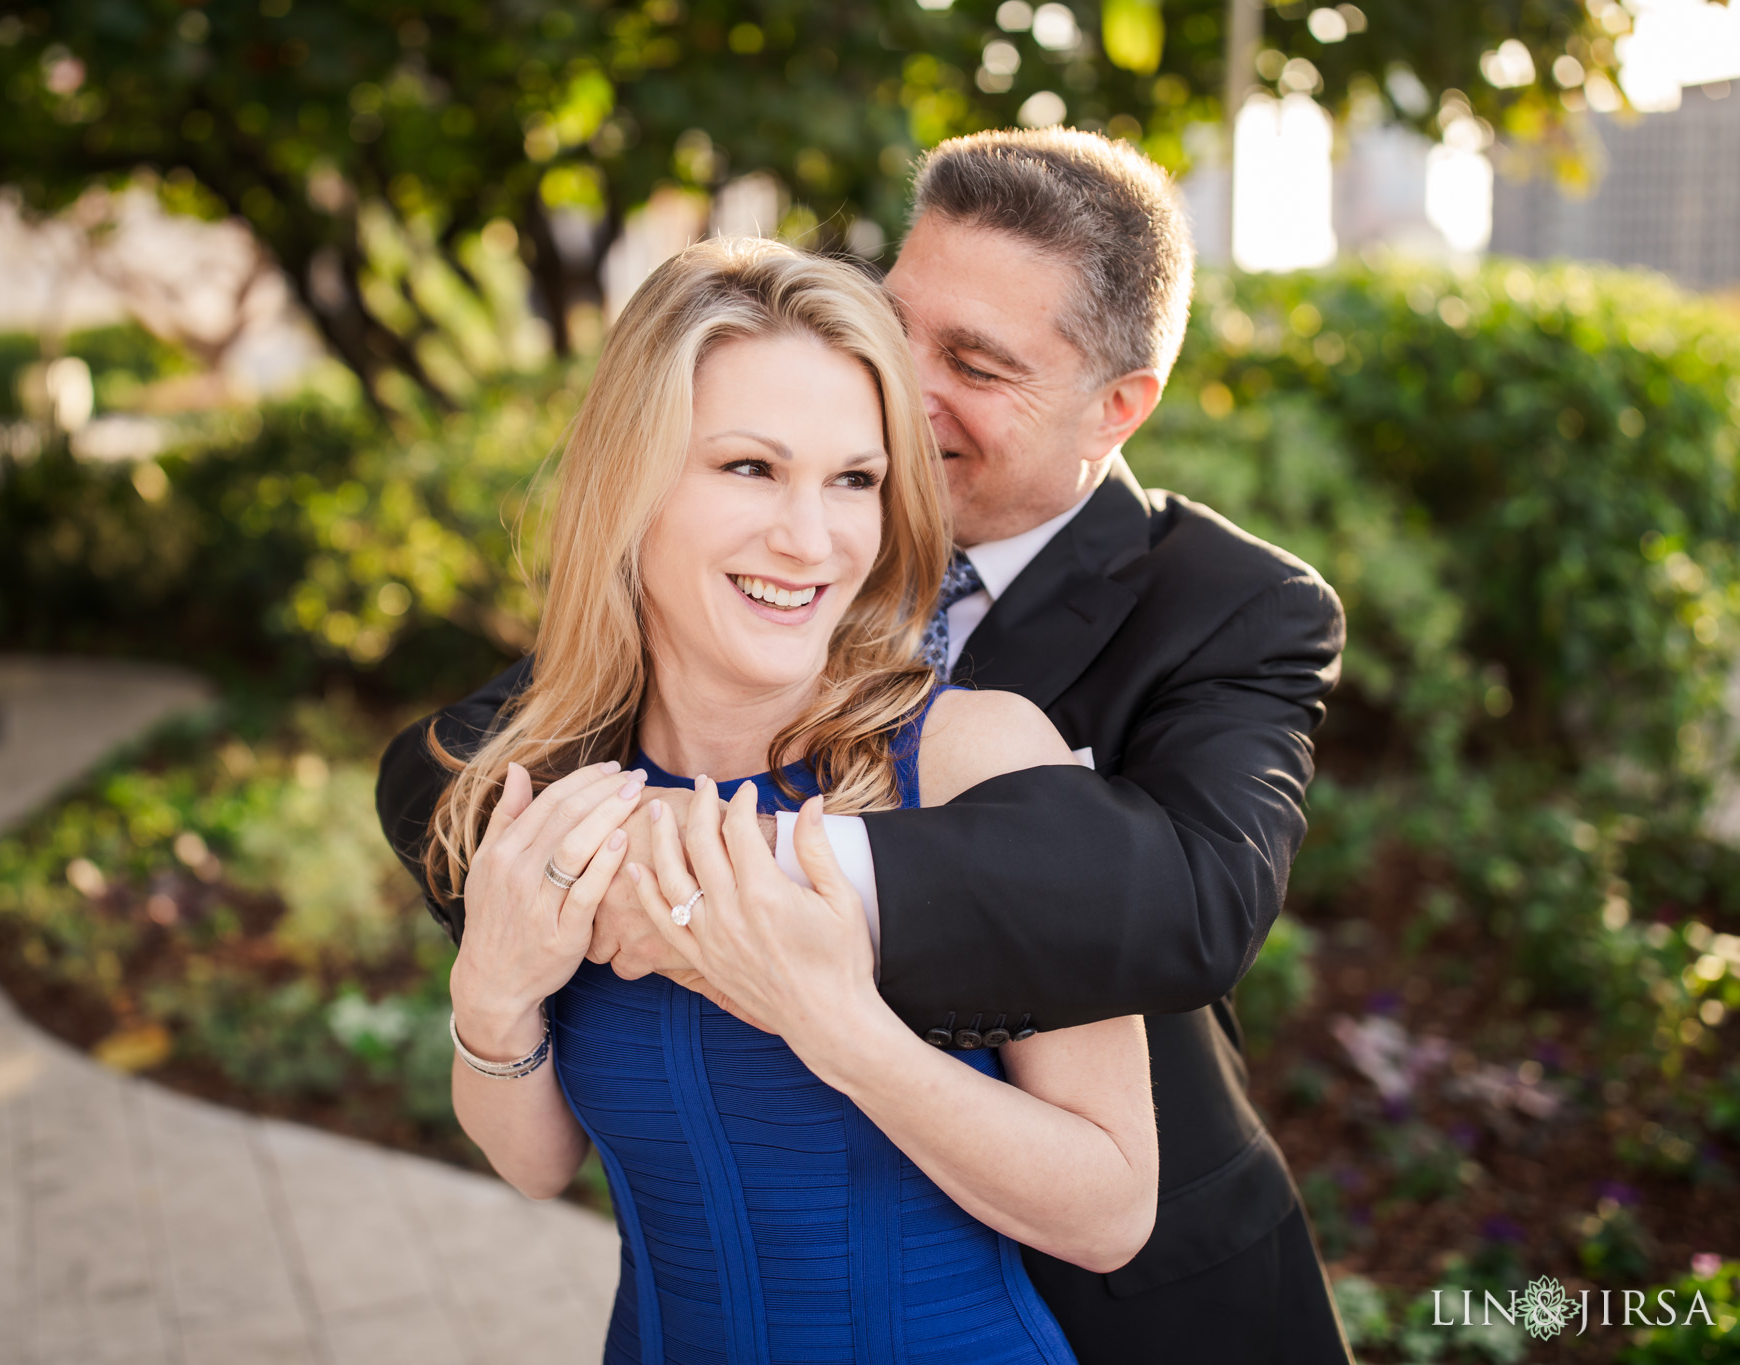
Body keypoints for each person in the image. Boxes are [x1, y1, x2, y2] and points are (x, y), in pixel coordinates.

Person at [382, 129, 1352, 1363]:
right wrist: (508, 943)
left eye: (978, 363)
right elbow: (463, 760)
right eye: (903, 326)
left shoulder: (1220, 611)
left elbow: (1188, 900)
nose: (905, 383)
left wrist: (759, 892)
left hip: (1127, 1311)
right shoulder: (661, 678)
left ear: (1115, 409)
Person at [421, 237, 1156, 1363]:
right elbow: (536, 1164)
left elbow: (1111, 1212)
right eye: (749, 469)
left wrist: (832, 1023)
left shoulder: (979, 763)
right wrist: (491, 998)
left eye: (852, 481)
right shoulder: (557, 776)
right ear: (632, 481)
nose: (810, 541)